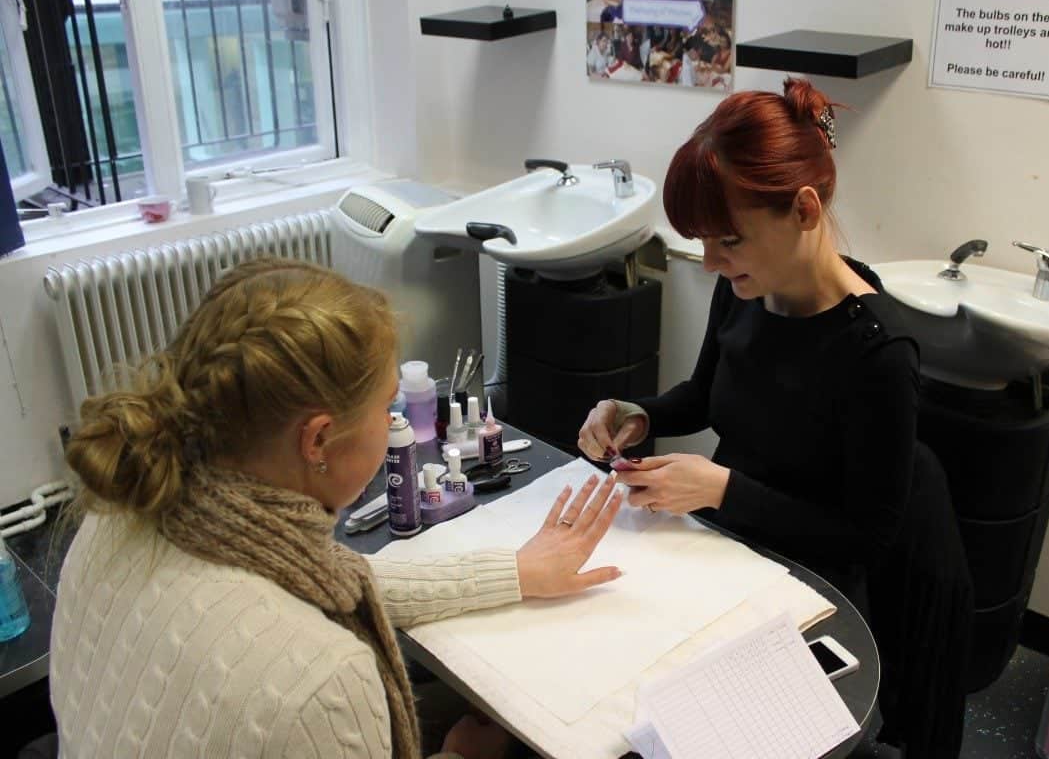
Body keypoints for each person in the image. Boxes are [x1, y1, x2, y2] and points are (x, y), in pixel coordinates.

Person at [53, 257, 624, 759]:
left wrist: (515, 572)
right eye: (387, 408)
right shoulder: (321, 684)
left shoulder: (119, 512)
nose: (393, 422)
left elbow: (340, 579)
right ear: (319, 439)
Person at [577, 79, 973, 757]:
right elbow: (706, 394)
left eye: (728, 239)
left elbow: (861, 539)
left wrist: (721, 489)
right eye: (704, 241)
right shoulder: (744, 289)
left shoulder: (877, 350)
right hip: (740, 546)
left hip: (821, 581)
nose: (710, 261)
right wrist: (639, 413)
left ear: (804, 209)